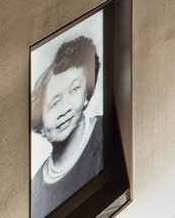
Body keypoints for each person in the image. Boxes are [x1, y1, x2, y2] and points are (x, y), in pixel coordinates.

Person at [30, 33, 106, 218]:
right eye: (54, 103)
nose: (64, 109)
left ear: (86, 95)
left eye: (74, 89)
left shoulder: (107, 133)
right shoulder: (34, 192)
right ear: (40, 124)